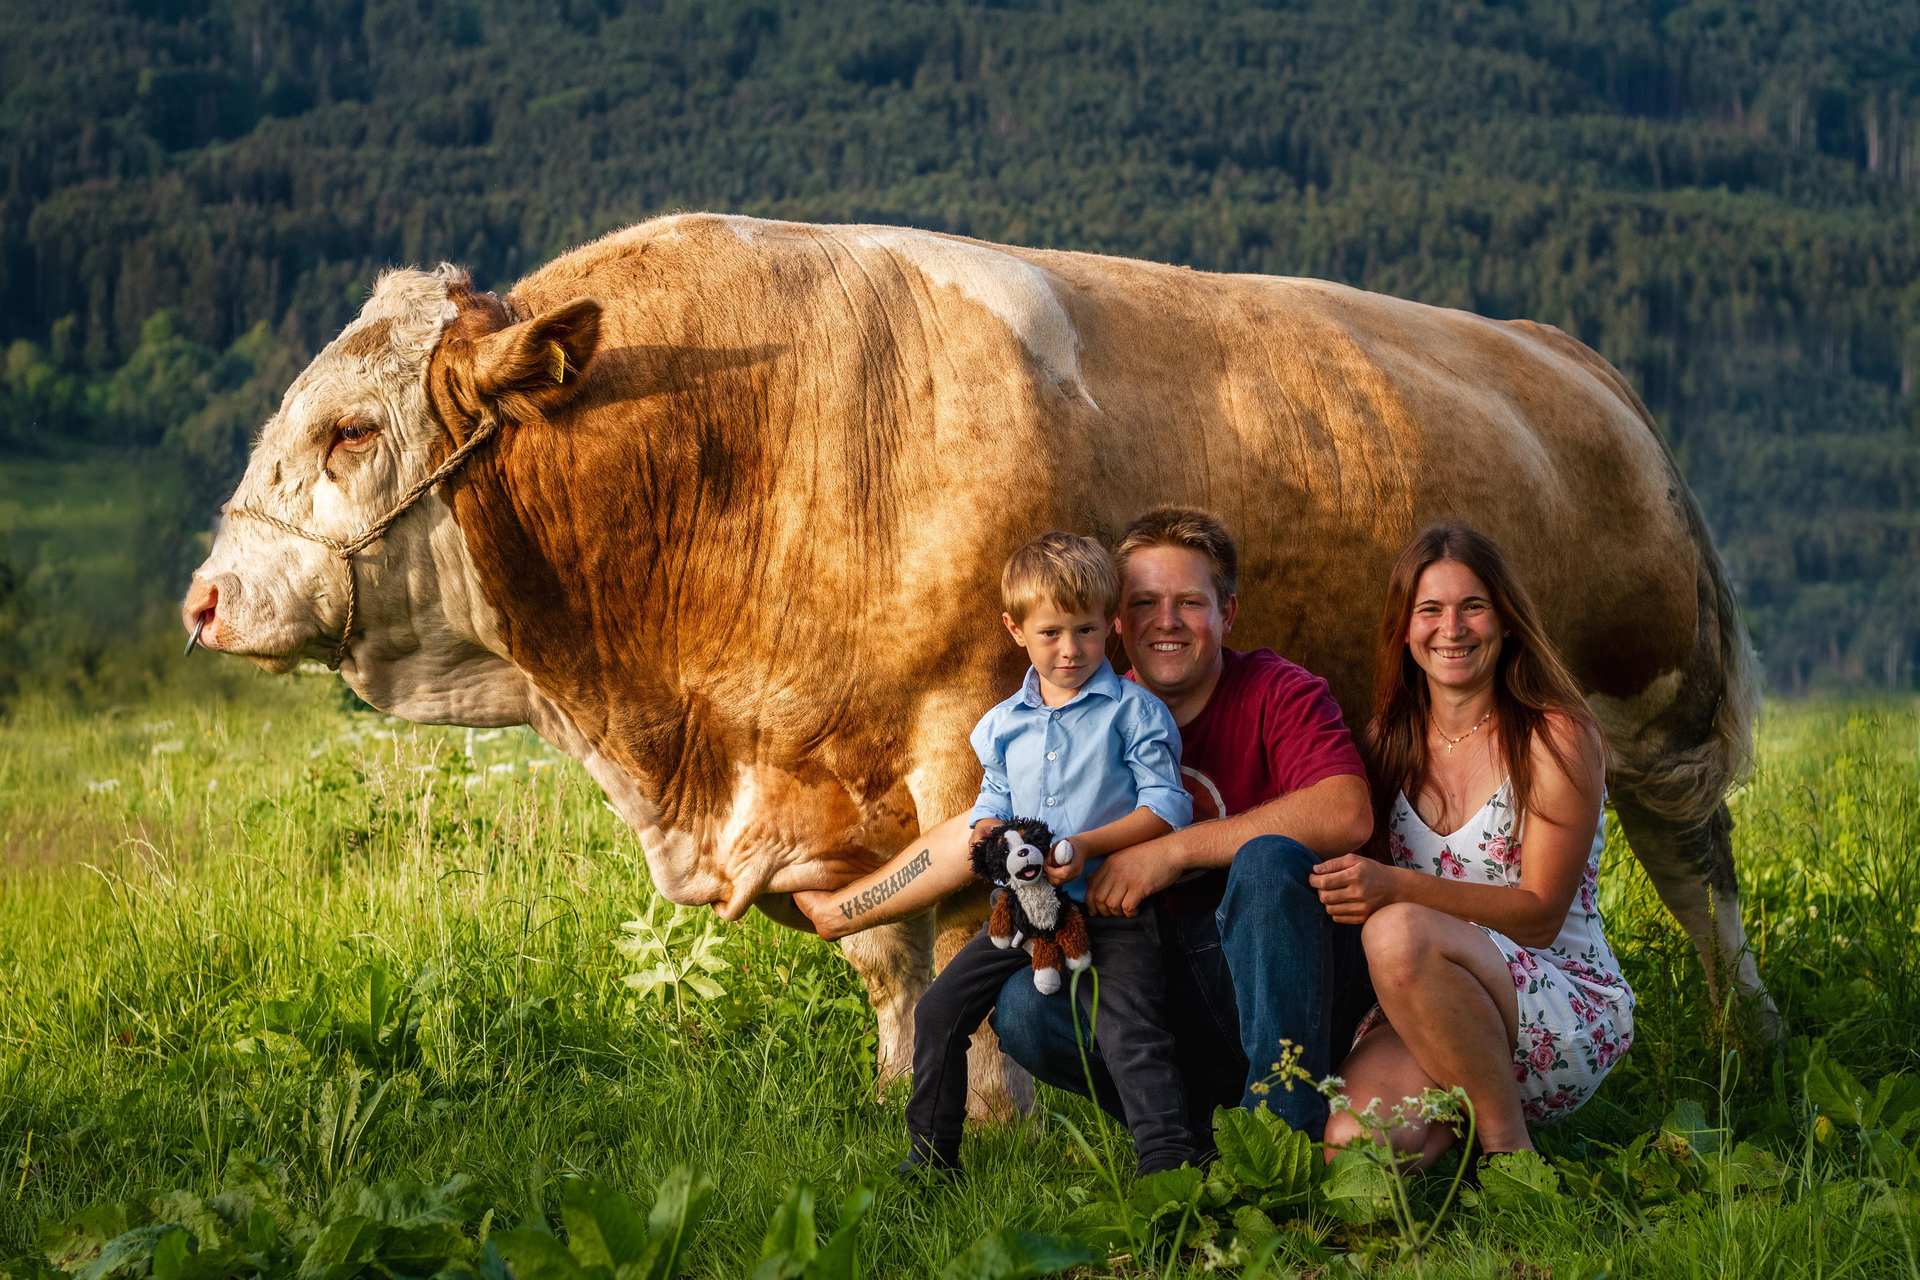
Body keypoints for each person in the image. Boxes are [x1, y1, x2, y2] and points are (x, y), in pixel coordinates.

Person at [796, 507, 1374, 1139]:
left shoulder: (1275, 690)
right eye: (1145, 603)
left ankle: (1283, 1142)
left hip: (1279, 973)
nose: (1166, 621)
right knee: (1024, 1008)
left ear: (1227, 612)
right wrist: (843, 912)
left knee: (1267, 862)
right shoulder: (1082, 712)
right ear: (1118, 619)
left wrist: (1171, 852)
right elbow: (984, 831)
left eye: (1189, 602)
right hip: (1158, 969)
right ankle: (1190, 1140)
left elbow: (1346, 812)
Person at [1311, 520, 1633, 1165]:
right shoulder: (1386, 743)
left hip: (1554, 1003)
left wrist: (1396, 888)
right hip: (1426, 1001)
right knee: (1353, 1149)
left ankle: (1509, 1152)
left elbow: (1540, 916)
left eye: (1474, 607)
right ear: (1404, 630)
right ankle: (1455, 1126)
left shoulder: (1554, 736)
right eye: (1430, 610)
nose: (1452, 629)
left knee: (1395, 930)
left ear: (1506, 621)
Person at [900, 532, 1197, 1178]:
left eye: (1086, 631)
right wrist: (990, 833)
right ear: (1016, 630)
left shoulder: (1133, 713)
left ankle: (1170, 1165)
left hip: (1111, 908)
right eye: (1051, 633)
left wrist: (1087, 846)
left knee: (1129, 1033)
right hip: (1024, 911)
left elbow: (1168, 806)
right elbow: (993, 800)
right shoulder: (1003, 724)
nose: (1070, 649)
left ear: (1111, 624)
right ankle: (929, 1160)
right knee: (939, 1010)